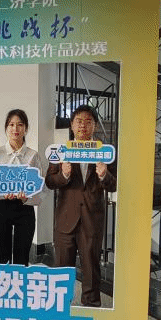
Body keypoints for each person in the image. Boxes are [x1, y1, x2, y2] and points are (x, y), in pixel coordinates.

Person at [45, 105, 117, 307]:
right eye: (79, 121)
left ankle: (92, 306)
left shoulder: (105, 153)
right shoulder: (61, 152)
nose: (83, 126)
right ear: (71, 125)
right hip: (65, 219)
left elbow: (114, 184)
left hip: (92, 220)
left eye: (88, 122)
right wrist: (64, 174)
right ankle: (60, 307)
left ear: (95, 126)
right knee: (62, 268)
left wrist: (104, 175)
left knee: (91, 268)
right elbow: (50, 181)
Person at [0, 109, 43, 266]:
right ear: (6, 128)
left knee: (22, 258)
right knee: (2, 258)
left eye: (20, 125)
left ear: (26, 129)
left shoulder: (33, 155)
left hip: (25, 209)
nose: (15, 129)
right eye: (11, 124)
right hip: (1, 208)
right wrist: (2, 194)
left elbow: (41, 189)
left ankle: (20, 282)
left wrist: (27, 198)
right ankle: (3, 282)